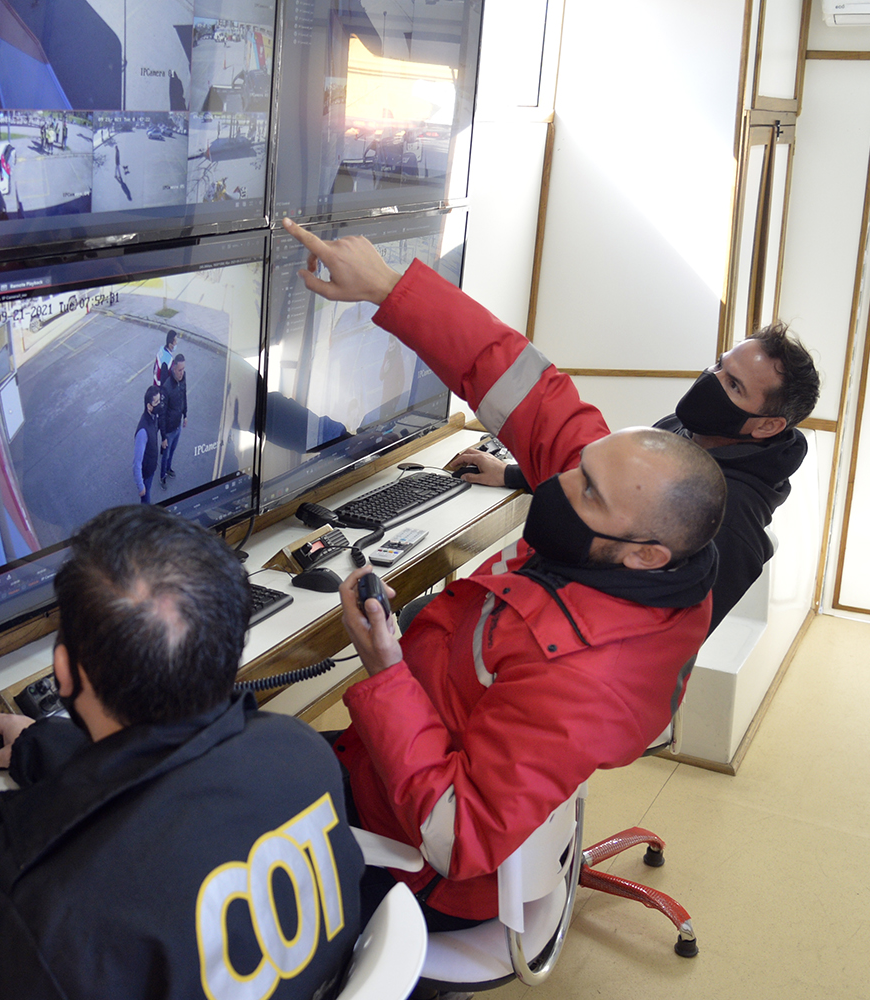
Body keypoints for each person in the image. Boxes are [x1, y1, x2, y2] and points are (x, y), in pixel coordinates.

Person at [281, 218, 727, 927]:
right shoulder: (640, 538)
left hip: (422, 865)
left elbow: (457, 837)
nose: (560, 480)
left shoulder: (587, 678)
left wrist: (385, 671)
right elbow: (527, 385)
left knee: (205, 793)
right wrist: (391, 289)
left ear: (645, 552)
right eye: (581, 466)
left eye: (585, 491)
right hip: (386, 760)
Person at [0, 505, 363, 1000]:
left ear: (62, 671)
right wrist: (44, 747)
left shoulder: (26, 912)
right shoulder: (302, 754)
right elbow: (173, 804)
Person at [451, 322, 820, 632]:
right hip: (547, 590)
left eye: (734, 385)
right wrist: (510, 474)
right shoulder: (685, 430)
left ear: (768, 425)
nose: (711, 379)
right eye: (718, 366)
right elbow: (615, 483)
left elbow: (668, 638)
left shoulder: (731, 520)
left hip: (570, 631)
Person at [157, 354, 188, 487]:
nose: (182, 373)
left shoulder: (183, 378)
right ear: (174, 369)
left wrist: (185, 414)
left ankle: (169, 469)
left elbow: (184, 396)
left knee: (173, 450)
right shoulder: (166, 387)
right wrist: (163, 437)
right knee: (166, 453)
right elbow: (162, 415)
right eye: (180, 370)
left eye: (183, 369)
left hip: (178, 425)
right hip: (169, 429)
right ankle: (162, 475)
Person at [133, 384, 163, 504]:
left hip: (151, 464)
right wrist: (141, 486)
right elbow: (136, 462)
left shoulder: (153, 417)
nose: (160, 404)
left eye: (160, 400)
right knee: (146, 499)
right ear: (149, 406)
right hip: (147, 471)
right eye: (156, 402)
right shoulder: (143, 432)